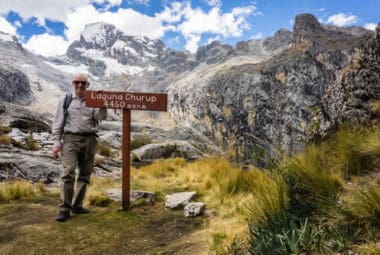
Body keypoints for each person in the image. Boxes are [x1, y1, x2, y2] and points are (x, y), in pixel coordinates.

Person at [52, 73, 107, 222]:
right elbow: (58, 123)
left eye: (84, 83)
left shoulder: (93, 100)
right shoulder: (65, 100)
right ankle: (64, 208)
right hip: (70, 139)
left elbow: (100, 118)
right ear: (73, 83)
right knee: (68, 172)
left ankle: (77, 205)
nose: (80, 85)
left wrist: (102, 104)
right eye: (78, 82)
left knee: (85, 174)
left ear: (88, 85)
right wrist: (57, 143)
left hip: (90, 140)